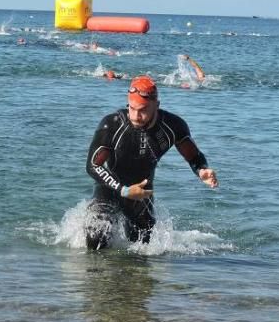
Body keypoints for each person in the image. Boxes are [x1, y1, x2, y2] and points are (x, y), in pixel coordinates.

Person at [84, 75, 218, 249]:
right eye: (131, 108)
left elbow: (194, 156)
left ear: (157, 105)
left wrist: (201, 170)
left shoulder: (173, 126)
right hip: (110, 189)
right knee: (95, 236)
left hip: (142, 194)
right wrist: (123, 190)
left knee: (144, 248)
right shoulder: (112, 125)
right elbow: (93, 165)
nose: (136, 116)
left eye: (143, 110)